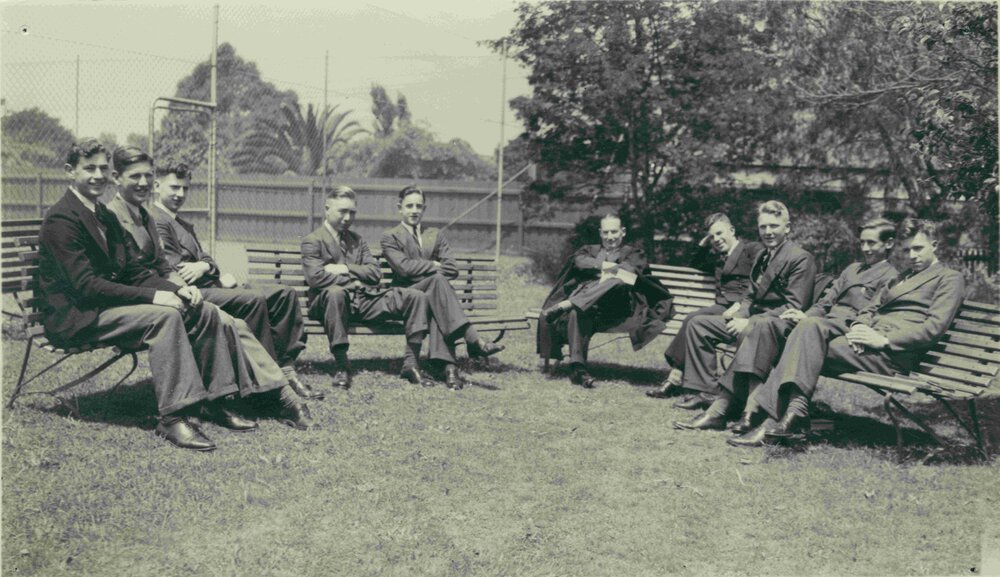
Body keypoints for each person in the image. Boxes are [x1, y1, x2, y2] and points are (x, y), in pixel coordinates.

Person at [37, 139, 306, 453]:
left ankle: (216, 400)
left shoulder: (103, 216)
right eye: (89, 168)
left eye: (101, 168)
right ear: (70, 171)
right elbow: (85, 286)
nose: (97, 175)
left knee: (201, 309)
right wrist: (154, 298)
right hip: (78, 315)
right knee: (165, 316)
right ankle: (173, 416)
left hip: (104, 305)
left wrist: (179, 289)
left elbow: (133, 271)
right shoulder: (63, 219)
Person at [106, 146, 314, 437]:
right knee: (220, 315)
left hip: (166, 290)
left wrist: (185, 287)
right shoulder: (111, 216)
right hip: (143, 302)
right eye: (135, 176)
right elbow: (131, 274)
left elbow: (164, 267)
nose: (142, 183)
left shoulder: (143, 215)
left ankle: (275, 391)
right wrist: (178, 290)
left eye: (146, 175)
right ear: (116, 177)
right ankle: (252, 397)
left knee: (234, 321)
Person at [729, 218, 966, 447]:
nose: (912, 256)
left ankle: (772, 417)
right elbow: (870, 308)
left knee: (804, 339)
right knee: (808, 332)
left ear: (934, 245)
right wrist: (860, 327)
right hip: (863, 343)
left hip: (894, 353)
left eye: (918, 249)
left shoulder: (949, 279)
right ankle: (792, 415)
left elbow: (933, 327)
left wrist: (882, 340)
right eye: (906, 251)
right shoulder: (900, 278)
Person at [709, 217, 899, 439]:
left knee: (796, 336)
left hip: (842, 330)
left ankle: (767, 414)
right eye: (863, 242)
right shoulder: (852, 269)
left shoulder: (891, 277)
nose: (865, 248)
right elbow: (825, 303)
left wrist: (816, 322)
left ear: (888, 244)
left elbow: (870, 314)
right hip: (818, 325)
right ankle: (741, 408)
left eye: (872, 243)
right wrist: (803, 315)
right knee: (764, 325)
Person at [149, 162, 318, 400]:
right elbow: (176, 269)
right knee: (253, 300)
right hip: (191, 293)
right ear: (157, 186)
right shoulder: (156, 220)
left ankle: (286, 367)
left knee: (285, 295)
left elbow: (205, 259)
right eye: (174, 187)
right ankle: (265, 382)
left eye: (185, 188)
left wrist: (204, 266)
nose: (180, 194)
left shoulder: (181, 222)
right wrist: (206, 268)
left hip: (208, 284)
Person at [674, 200, 816, 430]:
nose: (768, 232)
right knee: (698, 324)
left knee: (756, 328)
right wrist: (740, 314)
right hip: (753, 321)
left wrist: (747, 321)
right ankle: (707, 391)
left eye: (774, 226)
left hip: (780, 327)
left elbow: (794, 305)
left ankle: (738, 409)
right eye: (763, 227)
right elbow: (749, 296)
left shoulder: (800, 258)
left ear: (787, 228)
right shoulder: (762, 257)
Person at [301, 186, 430, 389]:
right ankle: (342, 365)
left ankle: (410, 364)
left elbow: (374, 273)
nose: (348, 217)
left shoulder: (357, 241)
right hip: (327, 304)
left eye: (352, 212)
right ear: (327, 209)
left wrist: (343, 268)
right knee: (336, 293)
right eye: (342, 211)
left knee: (416, 296)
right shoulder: (312, 241)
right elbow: (316, 278)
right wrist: (354, 280)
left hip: (362, 300)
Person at [380, 185, 505, 389]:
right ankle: (471, 343)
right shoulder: (390, 236)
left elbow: (452, 268)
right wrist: (432, 265)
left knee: (435, 295)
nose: (414, 210)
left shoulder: (435, 235)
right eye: (409, 206)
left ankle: (447, 367)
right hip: (405, 298)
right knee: (437, 282)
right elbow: (403, 268)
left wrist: (424, 269)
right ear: (399, 208)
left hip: (431, 298)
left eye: (419, 206)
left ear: (424, 209)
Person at [537, 214, 674, 388]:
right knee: (575, 312)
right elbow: (579, 262)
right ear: (601, 233)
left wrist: (604, 273)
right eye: (606, 232)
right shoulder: (589, 250)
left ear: (623, 232)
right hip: (591, 309)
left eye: (614, 232)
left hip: (619, 308)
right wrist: (605, 267)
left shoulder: (633, 252)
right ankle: (578, 369)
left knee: (620, 279)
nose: (610, 237)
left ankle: (570, 302)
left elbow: (630, 271)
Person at [646, 212, 763, 400]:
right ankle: (678, 378)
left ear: (732, 230)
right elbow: (694, 262)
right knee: (692, 317)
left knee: (695, 319)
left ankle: (675, 379)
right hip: (722, 308)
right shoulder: (717, 259)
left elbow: (762, 276)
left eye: (719, 233)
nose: (716, 240)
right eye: (712, 236)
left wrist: (742, 304)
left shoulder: (750, 249)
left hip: (745, 310)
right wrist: (703, 243)